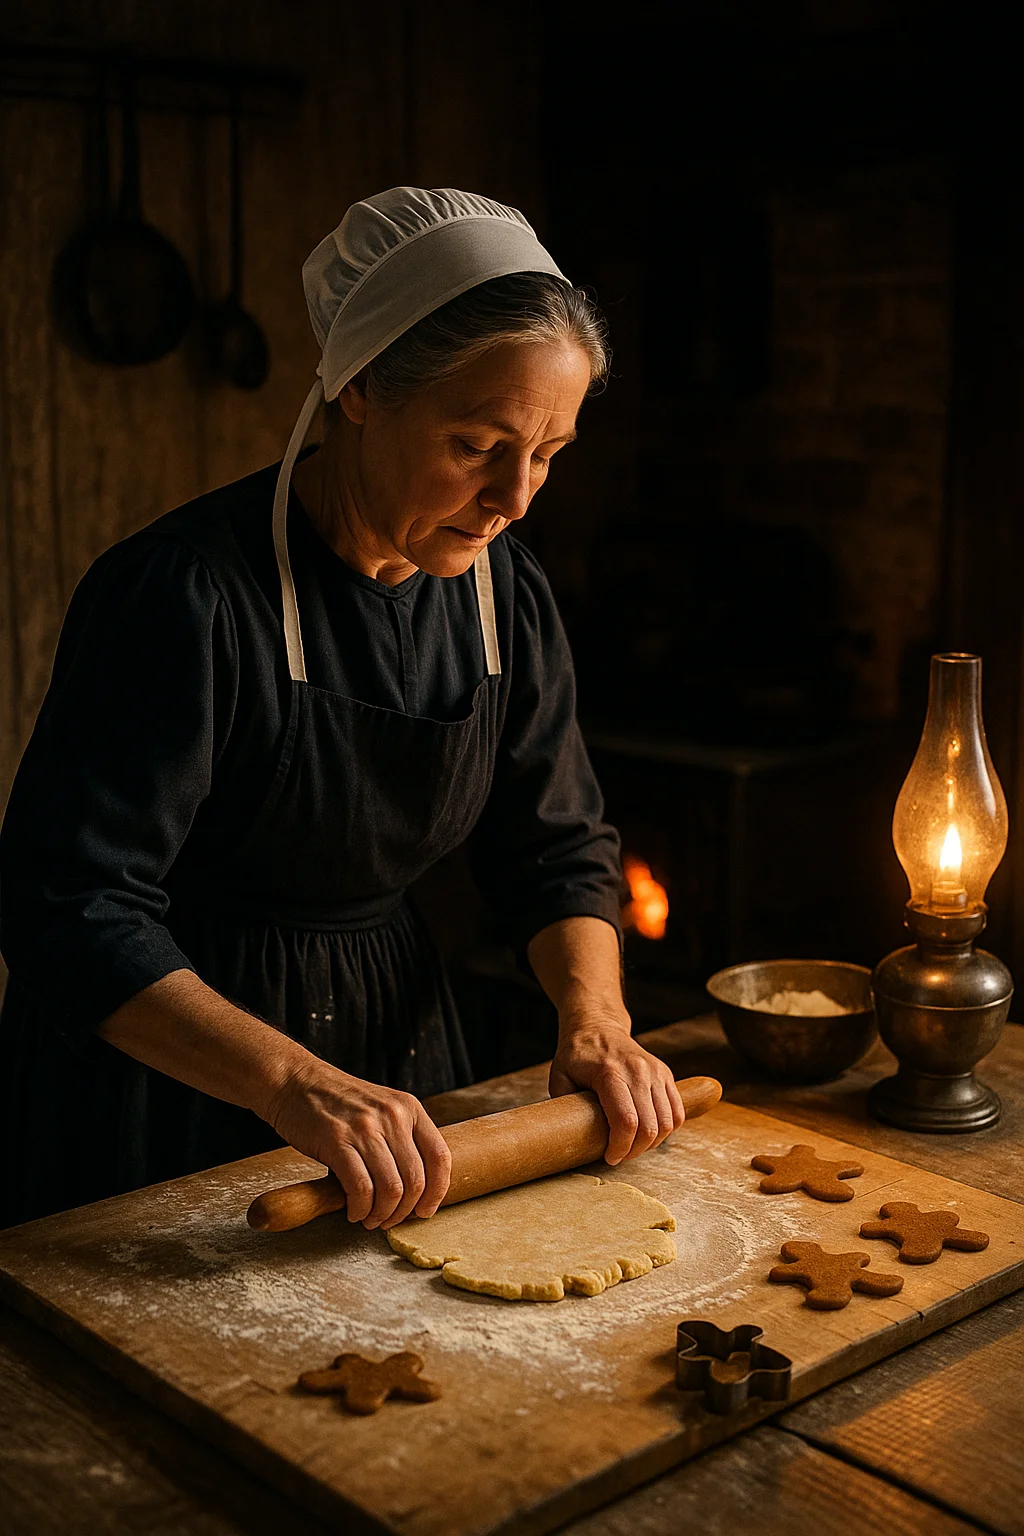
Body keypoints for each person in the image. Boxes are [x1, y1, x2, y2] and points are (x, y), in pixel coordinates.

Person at [0, 187, 683, 1231]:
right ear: (360, 388)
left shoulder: (507, 592)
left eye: (548, 454)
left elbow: (555, 848)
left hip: (393, 1058)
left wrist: (596, 1020)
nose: (516, 500)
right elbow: (67, 909)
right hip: (171, 1076)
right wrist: (287, 1084)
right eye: (478, 445)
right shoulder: (183, 597)